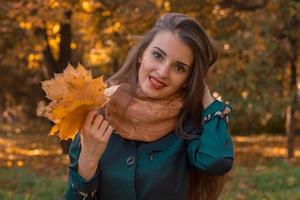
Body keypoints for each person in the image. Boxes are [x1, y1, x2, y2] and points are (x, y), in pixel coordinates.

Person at [63, 12, 234, 200]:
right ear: (141, 55)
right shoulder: (97, 112)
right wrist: (88, 157)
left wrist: (208, 101)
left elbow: (216, 161)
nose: (162, 72)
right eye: (157, 55)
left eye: (179, 68)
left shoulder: (188, 126)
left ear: (188, 80)